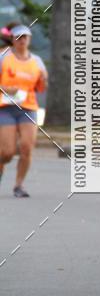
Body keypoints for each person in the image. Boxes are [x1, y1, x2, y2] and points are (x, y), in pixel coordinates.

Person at [0, 24, 48, 198]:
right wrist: (6, 89)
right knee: (7, 152)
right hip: (6, 108)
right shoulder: (4, 58)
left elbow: (41, 88)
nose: (22, 40)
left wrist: (44, 80)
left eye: (25, 37)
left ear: (29, 39)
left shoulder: (36, 61)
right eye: (18, 37)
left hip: (28, 108)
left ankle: (19, 185)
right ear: (12, 40)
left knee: (27, 147)